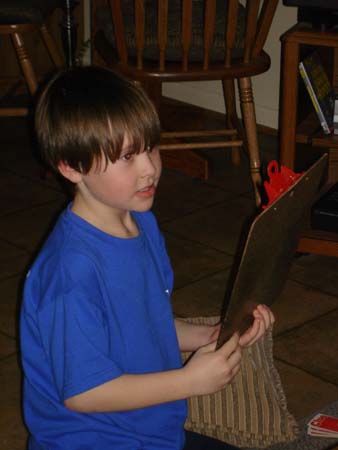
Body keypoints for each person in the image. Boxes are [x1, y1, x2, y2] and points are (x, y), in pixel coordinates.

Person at [20, 65, 275, 450]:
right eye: (126, 157)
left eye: (150, 147)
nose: (149, 168)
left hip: (152, 433)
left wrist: (212, 334)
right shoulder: (70, 274)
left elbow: (145, 324)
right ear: (70, 167)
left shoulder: (141, 223)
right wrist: (189, 382)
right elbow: (84, 393)